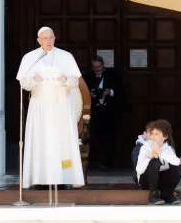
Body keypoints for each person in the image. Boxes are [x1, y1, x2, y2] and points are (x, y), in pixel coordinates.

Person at [16, 26, 84, 189]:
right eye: (45, 38)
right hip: (40, 107)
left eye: (51, 38)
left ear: (55, 38)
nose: (48, 41)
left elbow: (75, 82)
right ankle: (40, 178)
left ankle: (64, 177)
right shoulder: (31, 58)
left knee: (62, 142)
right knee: (41, 141)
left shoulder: (66, 56)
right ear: (38, 40)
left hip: (61, 106)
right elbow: (23, 83)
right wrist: (34, 79)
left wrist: (64, 78)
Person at [135, 119, 181, 205]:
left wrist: (160, 153)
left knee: (178, 166)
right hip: (146, 181)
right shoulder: (145, 148)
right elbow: (139, 170)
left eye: (157, 134)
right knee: (154, 161)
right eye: (152, 133)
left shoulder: (167, 148)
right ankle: (153, 194)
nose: (153, 136)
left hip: (161, 180)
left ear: (165, 136)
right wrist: (150, 157)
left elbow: (175, 162)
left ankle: (167, 194)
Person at [83, 55, 122, 170]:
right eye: (95, 67)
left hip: (110, 113)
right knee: (93, 137)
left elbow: (121, 91)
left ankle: (108, 162)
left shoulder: (112, 75)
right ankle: (93, 161)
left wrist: (110, 92)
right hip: (94, 113)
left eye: (99, 67)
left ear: (103, 65)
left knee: (109, 138)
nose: (97, 70)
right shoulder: (88, 77)